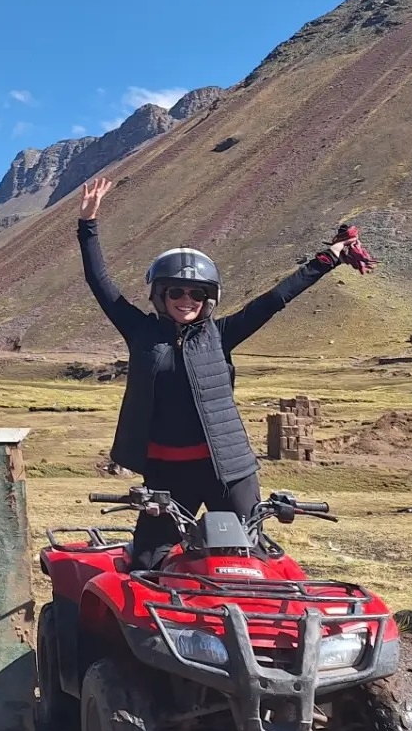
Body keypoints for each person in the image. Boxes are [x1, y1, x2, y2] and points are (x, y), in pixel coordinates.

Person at [76, 176, 374, 570]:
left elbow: (277, 298)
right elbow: (100, 283)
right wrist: (88, 224)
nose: (186, 300)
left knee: (246, 563)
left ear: (208, 299)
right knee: (147, 565)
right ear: (160, 296)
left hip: (228, 470)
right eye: (176, 292)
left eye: (196, 293)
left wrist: (329, 257)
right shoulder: (140, 331)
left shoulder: (221, 334)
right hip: (166, 474)